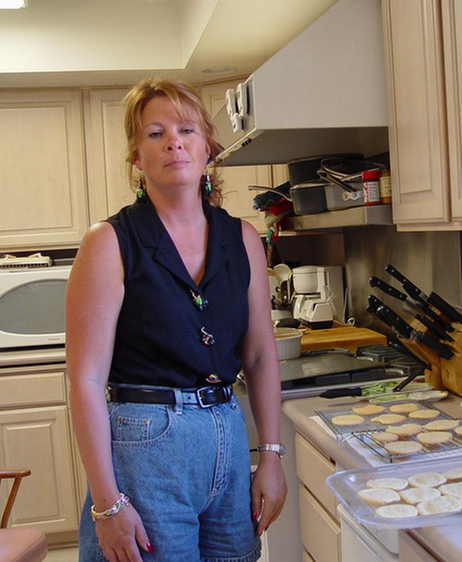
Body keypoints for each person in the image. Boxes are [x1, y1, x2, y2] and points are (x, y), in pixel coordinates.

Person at [66, 77, 287, 562]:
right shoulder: (108, 244)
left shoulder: (244, 240)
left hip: (227, 437)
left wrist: (270, 454)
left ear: (208, 147)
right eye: (155, 133)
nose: (174, 142)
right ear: (136, 156)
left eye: (186, 129)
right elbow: (84, 381)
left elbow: (259, 355)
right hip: (145, 449)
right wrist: (106, 504)